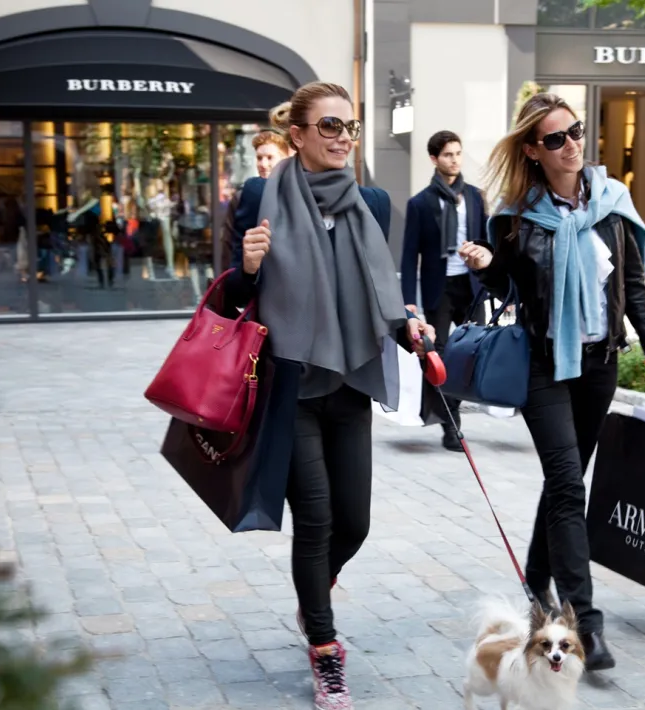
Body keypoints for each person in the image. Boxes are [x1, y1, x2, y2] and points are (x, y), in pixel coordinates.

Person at [223, 82, 435, 710]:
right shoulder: (262, 194)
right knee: (315, 517)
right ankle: (324, 647)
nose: (342, 136)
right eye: (329, 126)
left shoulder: (370, 199)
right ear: (298, 134)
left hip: (349, 380)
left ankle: (312, 590)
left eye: (350, 126)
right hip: (289, 382)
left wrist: (409, 325)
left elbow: (382, 290)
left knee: (356, 522)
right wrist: (249, 268)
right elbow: (233, 297)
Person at [458, 92, 645, 672]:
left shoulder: (612, 204)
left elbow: (634, 289)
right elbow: (508, 289)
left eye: (576, 132)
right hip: (543, 365)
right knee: (566, 486)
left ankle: (536, 586)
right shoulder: (514, 216)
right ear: (534, 150)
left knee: (565, 485)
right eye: (556, 139)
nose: (572, 145)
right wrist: (487, 267)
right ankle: (583, 620)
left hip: (599, 363)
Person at [401, 130, 488, 450]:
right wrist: (409, 302)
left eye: (458, 153)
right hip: (440, 289)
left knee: (470, 357)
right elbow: (410, 256)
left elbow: (487, 243)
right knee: (440, 356)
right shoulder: (420, 203)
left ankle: (451, 417)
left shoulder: (477, 197)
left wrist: (499, 286)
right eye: (448, 154)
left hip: (472, 285)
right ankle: (451, 426)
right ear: (434, 159)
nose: (454, 160)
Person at [219, 112, 292, 273]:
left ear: (286, 158)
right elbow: (229, 247)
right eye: (259, 158)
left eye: (270, 157)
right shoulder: (243, 195)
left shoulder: (297, 193)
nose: (263, 164)